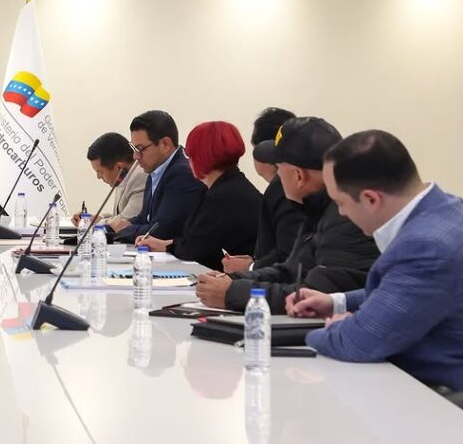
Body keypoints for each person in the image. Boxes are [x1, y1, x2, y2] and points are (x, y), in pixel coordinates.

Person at [288, 131, 463, 392]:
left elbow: (357, 343)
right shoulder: (449, 210)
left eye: (341, 203)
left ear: (371, 199)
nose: (341, 213)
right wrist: (337, 302)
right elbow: (404, 289)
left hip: (439, 400)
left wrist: (334, 329)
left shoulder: (426, 246)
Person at [195, 116, 378, 313]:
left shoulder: (346, 217)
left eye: (279, 169)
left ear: (299, 176)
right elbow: (290, 270)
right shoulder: (316, 209)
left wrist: (232, 293)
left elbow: (316, 296)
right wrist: (233, 280)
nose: (277, 177)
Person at [139, 121, 261, 271]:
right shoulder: (232, 186)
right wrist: (165, 245)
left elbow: (195, 250)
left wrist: (168, 246)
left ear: (200, 156)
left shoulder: (222, 197)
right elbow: (195, 241)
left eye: (189, 155)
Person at [222, 107, 306, 273]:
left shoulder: (282, 189)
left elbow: (288, 254)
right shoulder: (285, 186)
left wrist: (252, 267)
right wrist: (255, 261)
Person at [113, 110, 205, 242]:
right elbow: (145, 218)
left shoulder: (182, 173)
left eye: (140, 149)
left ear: (165, 144)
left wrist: (123, 230)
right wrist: (111, 227)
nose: (135, 156)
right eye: (134, 149)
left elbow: (160, 230)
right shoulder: (155, 169)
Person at [70, 132, 145, 231]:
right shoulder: (124, 176)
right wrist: (98, 218)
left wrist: (90, 223)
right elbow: (118, 216)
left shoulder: (140, 177)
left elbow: (126, 221)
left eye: (100, 172)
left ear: (119, 167)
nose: (98, 177)